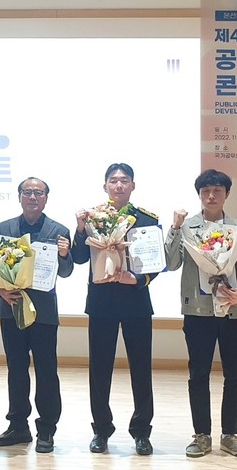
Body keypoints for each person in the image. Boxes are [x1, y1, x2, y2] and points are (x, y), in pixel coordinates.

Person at [164, 169, 237, 460]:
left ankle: (230, 435)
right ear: (199, 195)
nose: (211, 196)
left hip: (235, 311)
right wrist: (175, 228)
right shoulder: (187, 227)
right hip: (198, 311)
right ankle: (201, 435)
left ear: (227, 194)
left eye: (217, 190)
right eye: (205, 191)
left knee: (235, 375)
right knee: (198, 374)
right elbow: (171, 263)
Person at [73, 162, 158, 456]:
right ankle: (101, 430)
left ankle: (141, 432)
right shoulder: (93, 217)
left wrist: (137, 279)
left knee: (141, 369)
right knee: (99, 369)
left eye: (124, 180)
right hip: (102, 303)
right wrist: (80, 228)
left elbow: (155, 261)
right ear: (105, 186)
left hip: (136, 301)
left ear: (133, 185)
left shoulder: (146, 220)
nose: (119, 185)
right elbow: (79, 257)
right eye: (113, 180)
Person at [0, 177, 73, 454]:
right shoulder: (4, 228)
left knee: (46, 370)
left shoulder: (59, 230)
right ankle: (18, 426)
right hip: (11, 307)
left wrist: (64, 255)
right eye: (28, 192)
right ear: (19, 197)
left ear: (46, 198)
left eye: (38, 193)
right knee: (16, 368)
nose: (33, 197)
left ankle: (46, 428)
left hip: (44, 312)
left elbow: (66, 272)